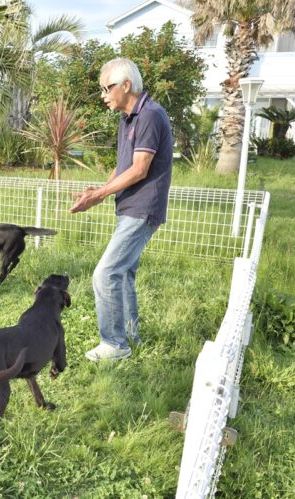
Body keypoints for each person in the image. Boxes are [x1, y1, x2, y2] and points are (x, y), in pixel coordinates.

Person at [69, 57, 173, 361]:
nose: (103, 94)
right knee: (124, 273)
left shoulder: (151, 115)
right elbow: (123, 165)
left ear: (126, 85)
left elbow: (140, 170)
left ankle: (114, 344)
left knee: (106, 273)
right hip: (129, 206)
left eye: (106, 87)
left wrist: (100, 193)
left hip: (144, 207)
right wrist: (99, 193)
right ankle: (130, 337)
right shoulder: (128, 118)